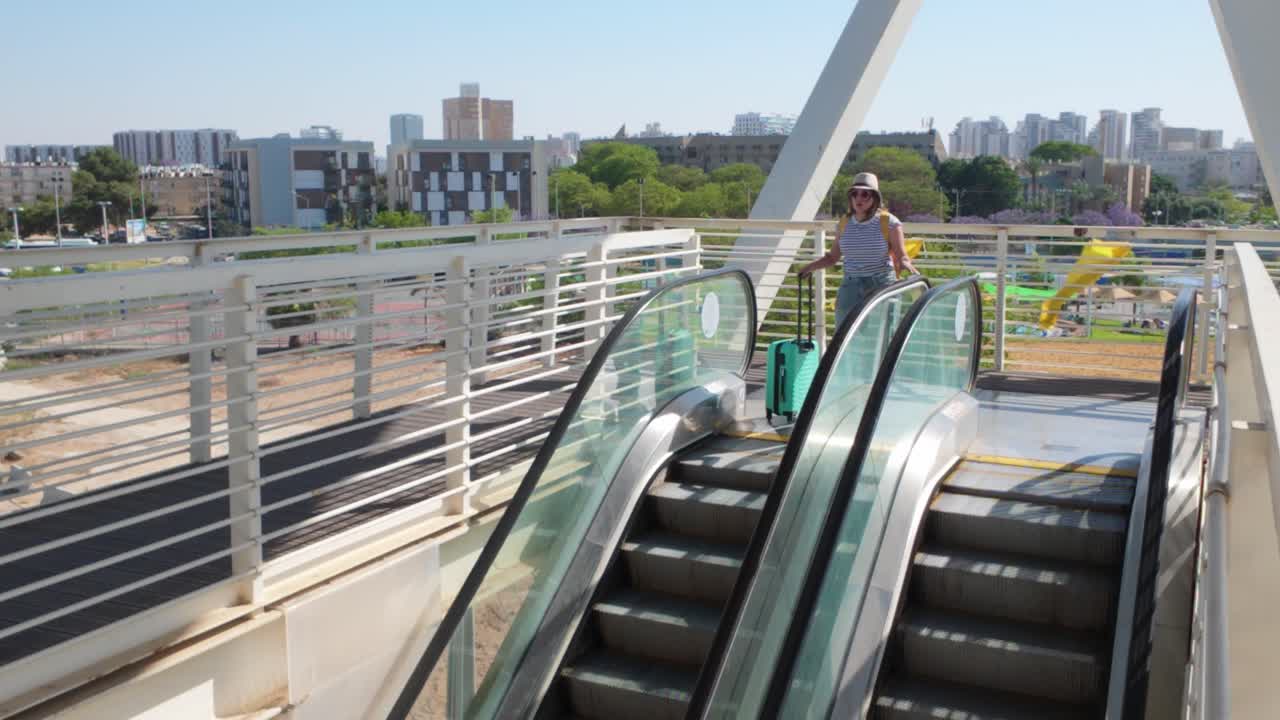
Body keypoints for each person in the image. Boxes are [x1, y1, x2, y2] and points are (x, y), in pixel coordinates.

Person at [800, 172, 917, 326]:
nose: (858, 198)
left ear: (874, 198)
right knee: (843, 333)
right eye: (854, 194)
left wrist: (905, 263)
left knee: (881, 335)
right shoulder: (844, 223)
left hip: (880, 284)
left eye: (864, 194)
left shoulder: (888, 221)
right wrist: (810, 267)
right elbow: (832, 258)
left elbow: (902, 254)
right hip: (851, 285)